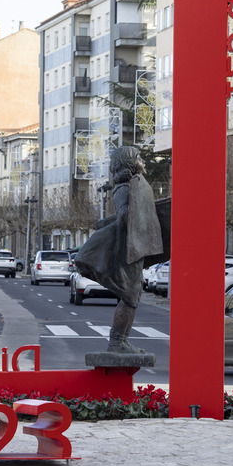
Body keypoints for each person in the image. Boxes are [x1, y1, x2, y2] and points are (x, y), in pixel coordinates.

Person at [73, 146, 163, 354]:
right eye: (140, 158)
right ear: (130, 164)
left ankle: (121, 341)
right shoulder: (125, 188)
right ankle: (117, 341)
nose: (144, 161)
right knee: (130, 296)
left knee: (133, 297)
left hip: (132, 245)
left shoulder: (133, 185)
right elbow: (124, 217)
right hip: (127, 247)